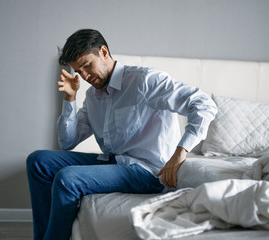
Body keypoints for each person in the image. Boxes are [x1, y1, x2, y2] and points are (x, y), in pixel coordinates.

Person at [26, 29, 217, 240]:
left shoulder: (144, 81)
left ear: (104, 52)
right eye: (79, 71)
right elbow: (67, 142)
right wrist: (70, 99)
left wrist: (181, 151)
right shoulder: (92, 96)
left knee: (67, 178)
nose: (85, 76)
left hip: (147, 171)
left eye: (87, 65)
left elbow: (203, 104)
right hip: (113, 163)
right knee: (39, 161)